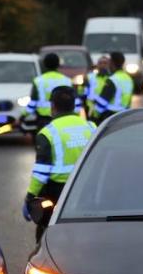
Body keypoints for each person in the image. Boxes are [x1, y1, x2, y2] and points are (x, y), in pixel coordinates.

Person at [24, 85, 95, 242]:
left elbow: (41, 173)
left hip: (57, 193)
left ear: (52, 106)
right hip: (87, 190)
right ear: (73, 105)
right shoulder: (91, 127)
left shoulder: (48, 133)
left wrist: (30, 197)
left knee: (46, 234)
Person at [25, 53, 73, 128]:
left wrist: (24, 115)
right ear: (58, 64)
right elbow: (75, 101)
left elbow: (33, 102)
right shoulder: (67, 80)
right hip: (64, 118)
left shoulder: (38, 81)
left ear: (44, 65)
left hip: (44, 120)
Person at [91, 51, 133, 125]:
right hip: (125, 115)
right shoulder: (128, 78)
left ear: (112, 63)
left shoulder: (113, 80)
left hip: (110, 117)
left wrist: (94, 117)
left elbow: (102, 102)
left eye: (109, 62)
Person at [84, 55, 109, 119]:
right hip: (91, 109)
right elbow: (84, 92)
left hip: (106, 110)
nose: (103, 65)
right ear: (97, 65)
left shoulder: (112, 78)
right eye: (100, 63)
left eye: (105, 63)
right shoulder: (90, 77)